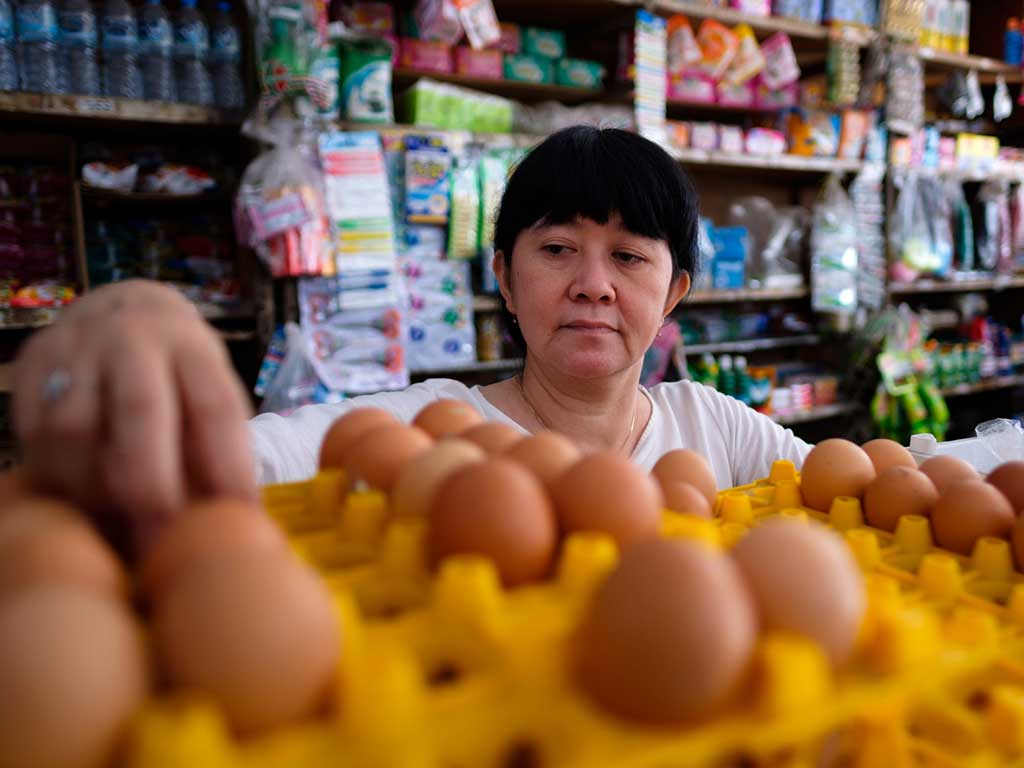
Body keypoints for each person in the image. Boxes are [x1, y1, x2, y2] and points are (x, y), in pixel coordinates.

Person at [12, 126, 810, 537]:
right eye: (557, 248)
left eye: (629, 257)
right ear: (503, 275)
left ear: (673, 293)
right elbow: (226, 462)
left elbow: (891, 484)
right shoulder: (425, 430)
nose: (593, 285)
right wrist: (138, 319)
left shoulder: (716, 429)